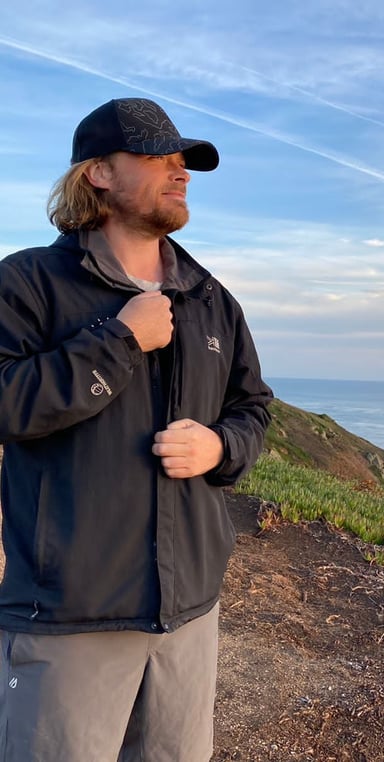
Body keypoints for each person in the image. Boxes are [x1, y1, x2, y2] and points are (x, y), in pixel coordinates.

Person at [0, 97, 273, 761]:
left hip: (188, 615)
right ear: (98, 173)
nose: (180, 173)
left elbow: (254, 407)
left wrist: (219, 447)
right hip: (70, 618)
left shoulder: (212, 299)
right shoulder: (29, 283)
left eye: (185, 163)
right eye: (159, 158)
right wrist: (119, 340)